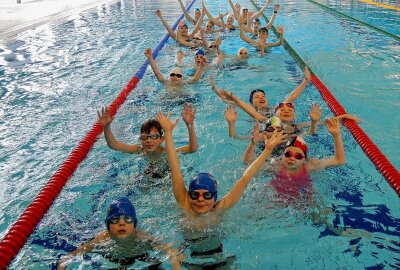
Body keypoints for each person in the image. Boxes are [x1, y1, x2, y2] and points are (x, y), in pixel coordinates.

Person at [57, 197, 184, 269]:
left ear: (134, 225)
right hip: (113, 260)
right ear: (108, 226)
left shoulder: (142, 237)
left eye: (128, 219)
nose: (121, 223)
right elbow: (68, 257)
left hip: (141, 256)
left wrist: (175, 262)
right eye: (115, 219)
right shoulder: (102, 238)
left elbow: (171, 251)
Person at [97, 103, 198, 158]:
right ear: (140, 139)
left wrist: (190, 125)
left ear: (162, 139)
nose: (149, 141)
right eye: (145, 137)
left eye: (154, 136)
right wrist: (106, 127)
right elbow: (113, 144)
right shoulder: (138, 150)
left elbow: (192, 149)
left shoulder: (167, 152)